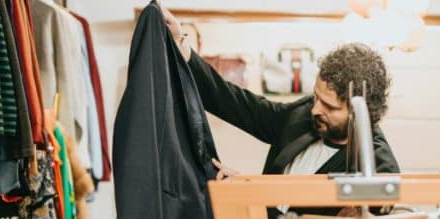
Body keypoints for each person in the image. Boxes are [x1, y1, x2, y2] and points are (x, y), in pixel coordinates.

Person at [159, 4, 399, 199]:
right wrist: (182, 47)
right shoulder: (304, 113)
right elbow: (237, 103)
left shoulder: (378, 166)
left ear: (363, 111)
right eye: (317, 98)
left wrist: (250, 187)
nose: (316, 109)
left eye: (330, 107)